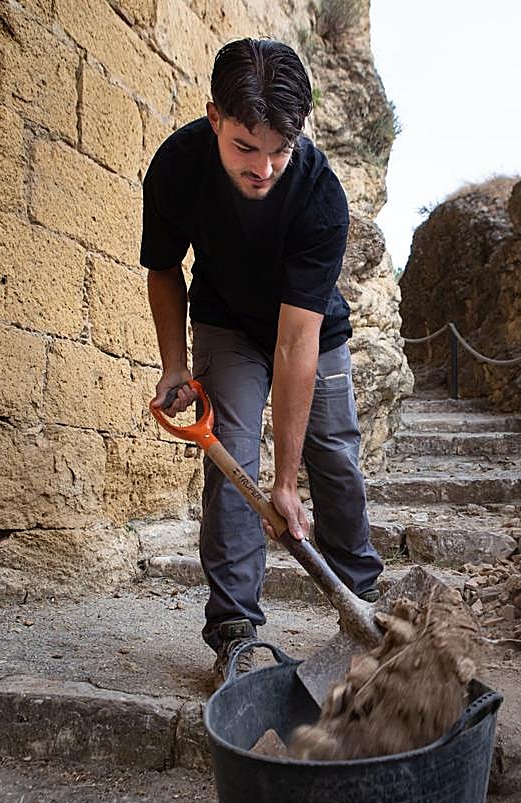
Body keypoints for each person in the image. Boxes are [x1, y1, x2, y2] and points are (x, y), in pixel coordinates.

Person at [141, 37, 383, 688]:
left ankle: (361, 603)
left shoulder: (318, 195)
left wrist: (287, 481)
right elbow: (163, 267)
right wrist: (172, 365)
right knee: (231, 467)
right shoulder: (177, 167)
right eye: (245, 147)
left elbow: (296, 341)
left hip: (309, 326)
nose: (263, 167)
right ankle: (234, 632)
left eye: (279, 149)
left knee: (331, 452)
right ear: (214, 116)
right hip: (224, 320)